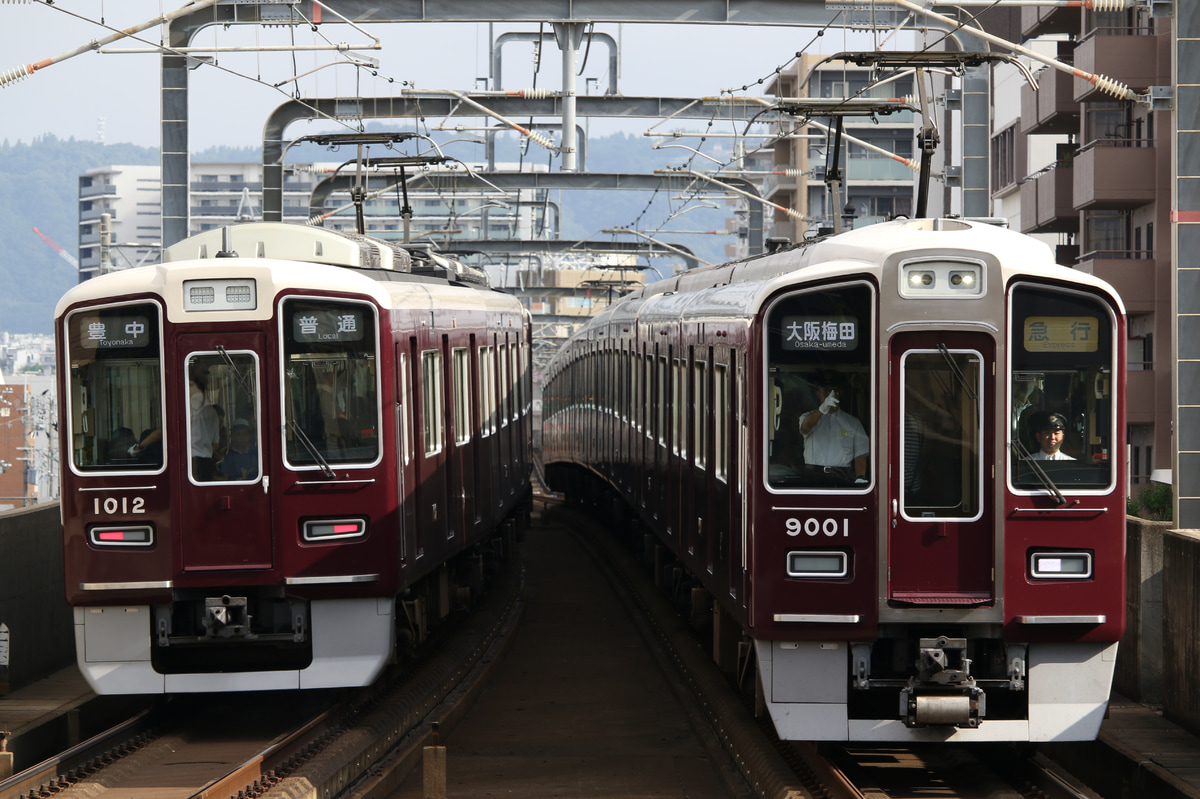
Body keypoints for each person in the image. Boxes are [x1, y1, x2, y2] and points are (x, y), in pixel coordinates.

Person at [798, 375, 869, 484]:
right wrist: (822, 409)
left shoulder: (853, 422)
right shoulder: (807, 417)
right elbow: (805, 427)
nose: (829, 395)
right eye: (825, 391)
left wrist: (860, 476)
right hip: (814, 474)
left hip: (842, 475)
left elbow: (860, 454)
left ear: (839, 393)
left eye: (833, 390)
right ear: (818, 394)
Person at [189, 377, 222, 480]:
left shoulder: (188, 406)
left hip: (192, 462)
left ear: (192, 384)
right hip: (207, 462)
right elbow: (216, 444)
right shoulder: (212, 411)